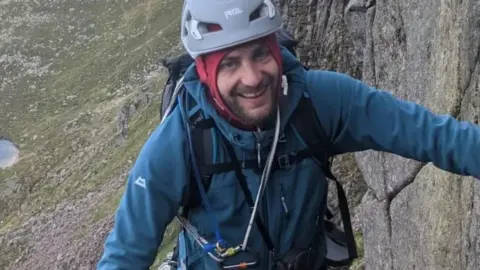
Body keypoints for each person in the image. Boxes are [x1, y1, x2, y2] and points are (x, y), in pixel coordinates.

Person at [96, 0, 480, 269]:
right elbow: (125, 256)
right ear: (205, 73)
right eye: (230, 64)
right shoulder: (178, 142)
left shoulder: (320, 101)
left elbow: (436, 136)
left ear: (277, 51)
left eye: (260, 55)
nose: (251, 77)